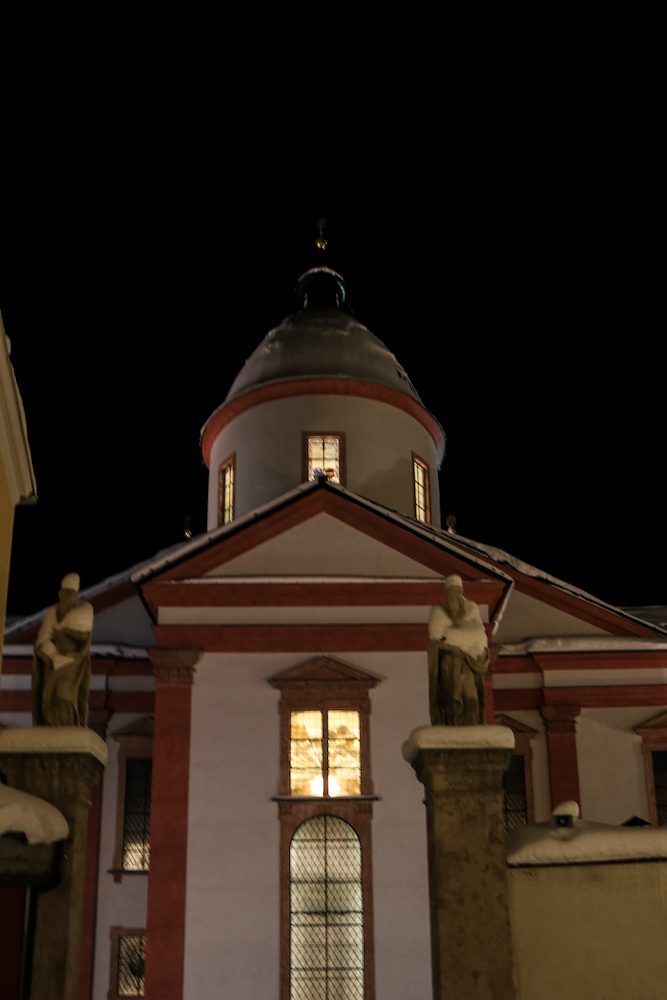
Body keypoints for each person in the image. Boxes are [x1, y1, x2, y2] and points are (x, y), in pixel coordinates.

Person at [32, 573, 93, 727]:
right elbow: (42, 640)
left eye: (72, 594)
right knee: (48, 698)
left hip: (72, 664)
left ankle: (69, 724)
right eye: (66, 593)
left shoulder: (83, 612)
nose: (69, 598)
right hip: (51, 664)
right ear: (60, 594)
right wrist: (45, 654)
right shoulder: (52, 613)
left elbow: (84, 637)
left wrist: (67, 635)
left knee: (65, 696)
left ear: (76, 595)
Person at [427, 574, 490, 726]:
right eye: (450, 595)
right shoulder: (438, 612)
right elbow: (434, 643)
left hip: (469, 664)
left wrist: (473, 648)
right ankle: (453, 728)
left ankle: (473, 728)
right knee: (452, 700)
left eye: (457, 594)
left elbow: (481, 635)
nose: (454, 599)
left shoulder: (472, 608)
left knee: (471, 699)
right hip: (450, 664)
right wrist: (453, 647)